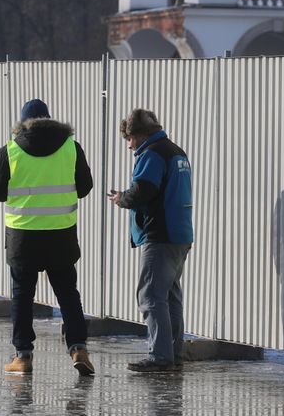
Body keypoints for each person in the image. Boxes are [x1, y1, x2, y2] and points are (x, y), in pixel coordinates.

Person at [0, 98, 95, 376]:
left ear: (22, 122)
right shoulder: (71, 147)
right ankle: (78, 348)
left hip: (23, 236)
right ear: (50, 119)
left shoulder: (10, 151)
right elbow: (85, 187)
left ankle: (23, 357)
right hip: (60, 234)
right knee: (68, 293)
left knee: (22, 296)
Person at [107, 109, 193, 373]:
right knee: (170, 296)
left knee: (151, 295)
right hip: (180, 233)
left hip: (160, 234)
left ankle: (160, 357)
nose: (129, 144)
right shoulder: (176, 151)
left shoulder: (152, 153)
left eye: (129, 138)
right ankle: (173, 355)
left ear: (139, 134)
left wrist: (122, 198)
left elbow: (145, 189)